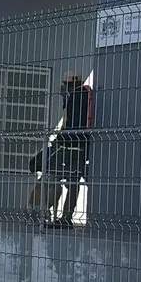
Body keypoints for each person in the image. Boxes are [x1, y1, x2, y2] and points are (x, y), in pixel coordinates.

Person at [45, 72, 93, 229]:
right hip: (79, 145)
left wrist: (66, 100)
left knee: (54, 178)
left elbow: (67, 120)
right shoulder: (86, 94)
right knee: (72, 182)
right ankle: (65, 217)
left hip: (70, 145)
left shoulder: (75, 96)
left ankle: (53, 215)